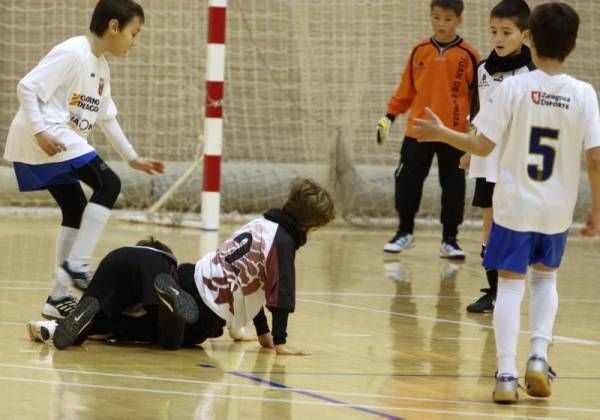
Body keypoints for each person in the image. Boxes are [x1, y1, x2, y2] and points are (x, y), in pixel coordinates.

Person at [413, 2, 600, 403]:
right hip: (556, 208)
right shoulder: (584, 94)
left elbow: (481, 144)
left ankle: (505, 374)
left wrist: (442, 132)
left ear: (529, 38)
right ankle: (537, 355)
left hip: (514, 205)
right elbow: (596, 159)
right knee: (546, 279)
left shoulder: (513, 88)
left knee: (511, 288)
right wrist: (596, 208)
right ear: (573, 44)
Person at [31, 178, 337, 356]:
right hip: (205, 314)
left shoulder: (260, 225)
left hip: (190, 277)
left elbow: (249, 281)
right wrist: (278, 342)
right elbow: (278, 295)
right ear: (311, 227)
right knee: (168, 340)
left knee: (123, 322)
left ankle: (66, 325)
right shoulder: (283, 244)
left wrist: (262, 335)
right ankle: (170, 317)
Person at [3, 0, 164, 320]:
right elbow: (27, 87)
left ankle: (58, 297)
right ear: (114, 27)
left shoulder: (101, 67)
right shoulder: (73, 52)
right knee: (109, 183)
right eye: (134, 33)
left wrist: (131, 157)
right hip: (47, 133)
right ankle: (77, 265)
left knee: (75, 207)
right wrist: (38, 130)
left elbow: (107, 118)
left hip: (53, 138)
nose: (135, 41)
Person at [376, 0, 479, 259]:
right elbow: (406, 91)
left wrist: (474, 132)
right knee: (407, 179)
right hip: (418, 129)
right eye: (436, 17)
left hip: (452, 133)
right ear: (430, 17)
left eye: (447, 18)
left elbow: (478, 97)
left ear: (459, 20)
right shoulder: (419, 50)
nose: (441, 23)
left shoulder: (469, 55)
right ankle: (404, 232)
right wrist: (389, 116)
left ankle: (450, 239)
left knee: (454, 184)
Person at [464, 0, 535, 314]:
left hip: (519, 161)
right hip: (487, 159)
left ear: (525, 35)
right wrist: (469, 150)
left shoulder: (532, 73)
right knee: (489, 224)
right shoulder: (481, 69)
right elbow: (476, 113)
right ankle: (493, 291)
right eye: (494, 31)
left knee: (516, 225)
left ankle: (512, 286)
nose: (498, 38)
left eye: (507, 32)